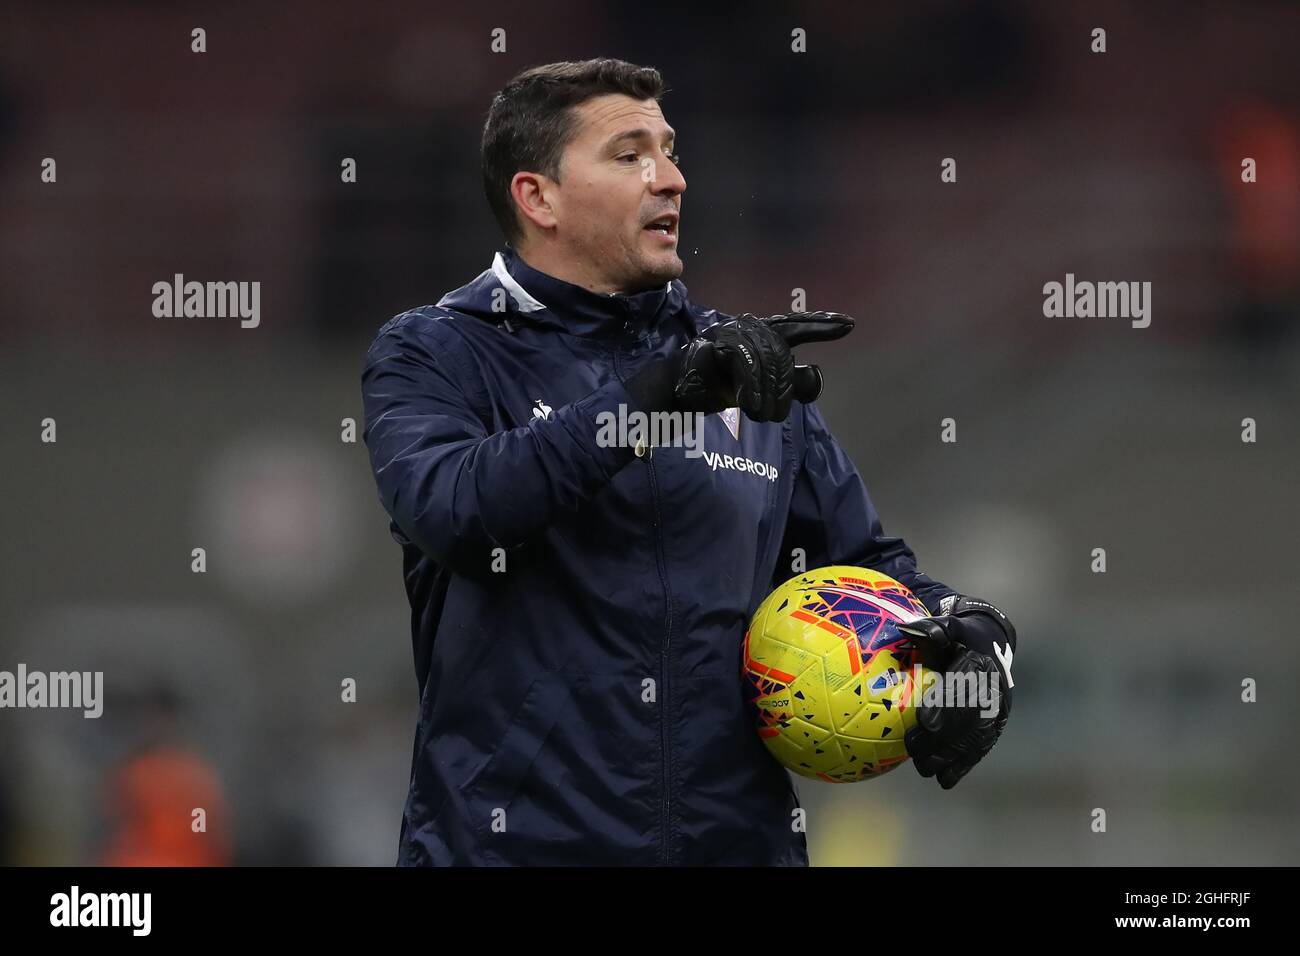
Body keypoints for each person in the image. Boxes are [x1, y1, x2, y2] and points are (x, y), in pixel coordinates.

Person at [361, 58, 1017, 866]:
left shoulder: (743, 368)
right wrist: (652, 399)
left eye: (670, 151)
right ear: (538, 197)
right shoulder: (436, 349)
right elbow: (456, 511)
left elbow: (868, 570)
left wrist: (977, 642)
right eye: (629, 154)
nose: (670, 178)